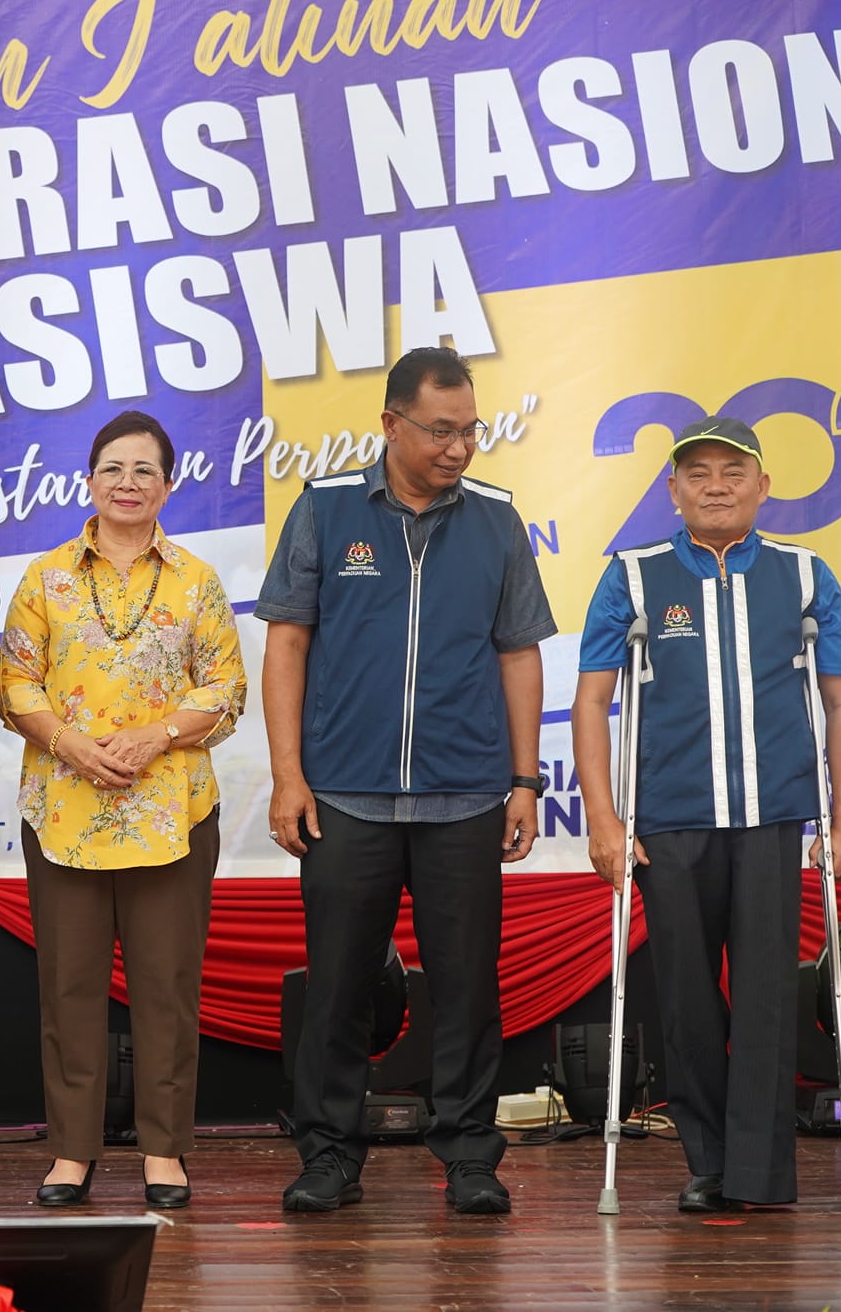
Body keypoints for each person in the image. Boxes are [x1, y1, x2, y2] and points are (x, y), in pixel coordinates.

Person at [257, 346, 554, 1215]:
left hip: (466, 794)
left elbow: (519, 653)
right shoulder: (325, 509)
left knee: (467, 986)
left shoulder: (497, 520)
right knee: (339, 984)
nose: (458, 448)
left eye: (470, 431)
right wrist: (288, 775)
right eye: (440, 430)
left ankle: (469, 1154)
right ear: (390, 424)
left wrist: (525, 780)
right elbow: (287, 642)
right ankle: (328, 1154)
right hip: (344, 793)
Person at [571, 416, 841, 1211]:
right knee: (687, 996)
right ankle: (707, 1159)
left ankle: (760, 1172)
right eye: (697, 473)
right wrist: (604, 820)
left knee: (768, 994)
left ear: (763, 485)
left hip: (772, 816)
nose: (716, 485)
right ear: (672, 489)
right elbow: (592, 701)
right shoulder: (633, 577)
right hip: (671, 819)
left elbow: (839, 702)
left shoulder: (804, 575)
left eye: (734, 472)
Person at [0, 411, 246, 1209]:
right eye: (113, 468)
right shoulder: (46, 577)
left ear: (168, 485)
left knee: (166, 989)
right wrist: (68, 742)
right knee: (68, 988)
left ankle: (164, 1151)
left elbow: (227, 689)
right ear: (89, 481)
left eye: (144, 470)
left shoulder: (197, 580)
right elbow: (13, 682)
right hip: (64, 812)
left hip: (170, 813)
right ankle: (72, 1152)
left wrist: (155, 735)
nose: (127, 483)